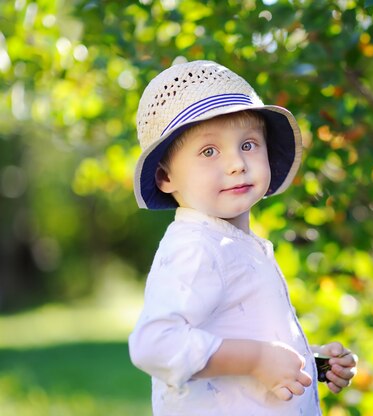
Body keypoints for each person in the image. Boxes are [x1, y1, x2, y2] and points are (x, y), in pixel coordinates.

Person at [129, 60, 357, 415]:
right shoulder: (196, 247)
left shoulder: (229, 243)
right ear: (165, 178)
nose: (236, 163)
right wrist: (257, 360)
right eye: (209, 151)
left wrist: (307, 364)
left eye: (248, 144)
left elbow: (240, 337)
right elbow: (154, 344)